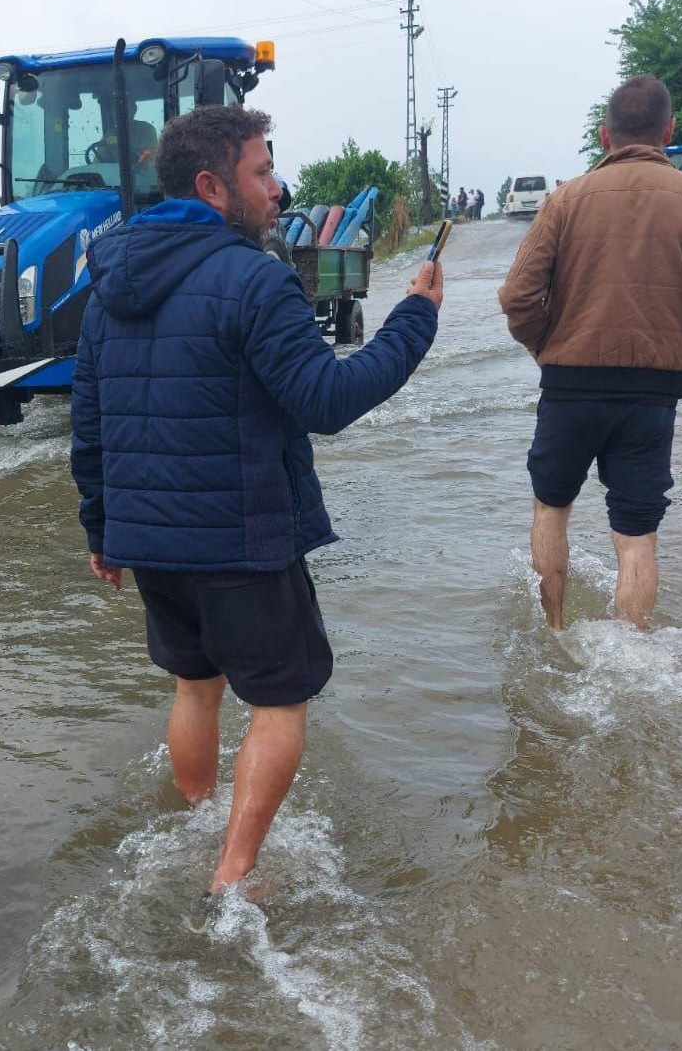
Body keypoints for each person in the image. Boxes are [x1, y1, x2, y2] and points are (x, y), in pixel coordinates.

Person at [70, 105, 443, 894]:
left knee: (194, 686)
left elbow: (90, 421)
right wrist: (415, 318)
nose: (277, 190)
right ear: (211, 186)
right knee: (280, 700)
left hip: (150, 544)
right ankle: (233, 872)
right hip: (239, 541)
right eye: (262, 172)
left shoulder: (107, 285)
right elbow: (327, 401)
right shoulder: (256, 277)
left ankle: (202, 820)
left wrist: (101, 528)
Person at [497, 74, 682, 630]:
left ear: (604, 136)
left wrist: (545, 346)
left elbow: (517, 295)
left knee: (551, 511)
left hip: (569, 385)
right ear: (669, 131)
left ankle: (554, 632)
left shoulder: (565, 200)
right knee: (637, 535)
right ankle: (633, 659)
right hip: (653, 393)